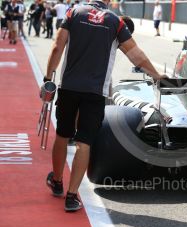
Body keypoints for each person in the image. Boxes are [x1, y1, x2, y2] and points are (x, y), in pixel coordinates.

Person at [44, 0, 166, 212]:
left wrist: (48, 77)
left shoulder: (73, 13)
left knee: (63, 135)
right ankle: (72, 196)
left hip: (69, 87)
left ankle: (56, 182)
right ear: (108, 1)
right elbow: (135, 55)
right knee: (84, 141)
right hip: (95, 91)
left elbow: (57, 47)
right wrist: (156, 75)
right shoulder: (115, 22)